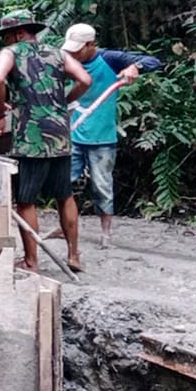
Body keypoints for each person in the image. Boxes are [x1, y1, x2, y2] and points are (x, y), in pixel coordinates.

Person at [0, 11, 92, 272]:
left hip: (30, 135)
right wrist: (62, 102)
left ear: (19, 33)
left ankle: (32, 260)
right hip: (59, 133)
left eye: (8, 36)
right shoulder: (58, 53)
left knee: (26, 199)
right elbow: (85, 80)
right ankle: (73, 255)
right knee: (64, 195)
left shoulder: (10, 53)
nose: (7, 41)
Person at [60, 23, 163, 248]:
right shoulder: (66, 60)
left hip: (102, 136)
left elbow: (154, 61)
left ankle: (106, 234)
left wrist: (134, 67)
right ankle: (65, 225)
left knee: (102, 185)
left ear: (91, 44)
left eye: (78, 49)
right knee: (64, 182)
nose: (73, 54)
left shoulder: (109, 59)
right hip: (72, 132)